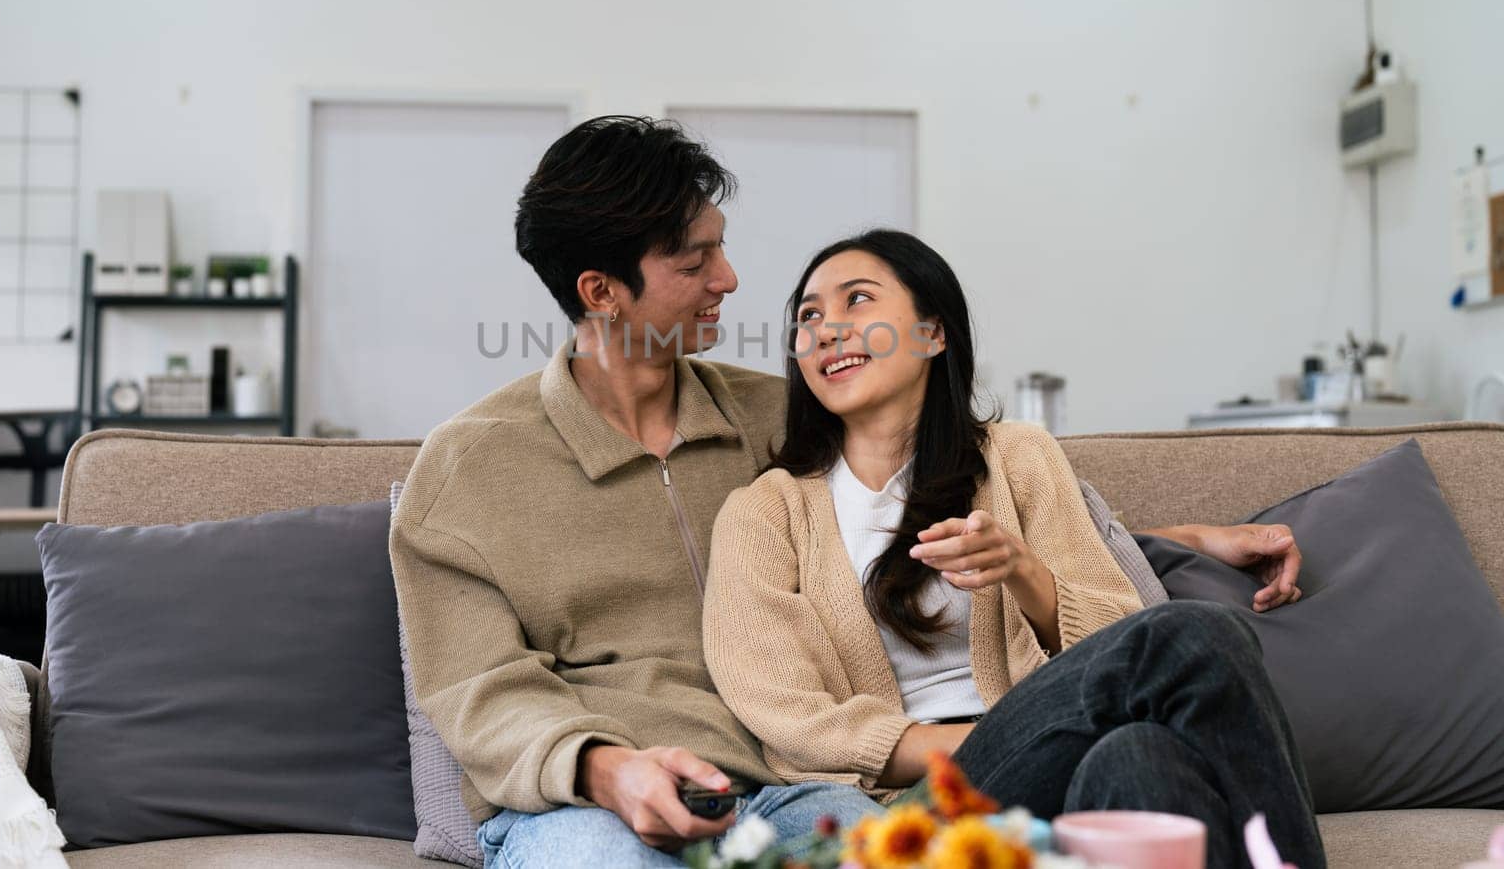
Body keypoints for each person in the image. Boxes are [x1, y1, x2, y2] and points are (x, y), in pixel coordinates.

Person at [390, 116, 1307, 869]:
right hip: (586, 803)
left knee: (1124, 760)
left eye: (723, 248)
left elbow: (916, 499)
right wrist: (604, 768)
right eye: (694, 261)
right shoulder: (470, 469)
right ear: (603, 291)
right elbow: (473, 685)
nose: (731, 279)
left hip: (788, 794)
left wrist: (1182, 541)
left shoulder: (777, 419)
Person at [702, 228, 1326, 869]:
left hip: (1053, 761)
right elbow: (786, 717)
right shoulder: (764, 511)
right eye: (808, 316)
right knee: (1198, 636)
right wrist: (998, 736)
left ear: (933, 333)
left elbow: (1116, 634)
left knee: (1139, 757)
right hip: (913, 803)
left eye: (857, 300)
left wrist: (1026, 575)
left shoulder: (1020, 458)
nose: (826, 329)